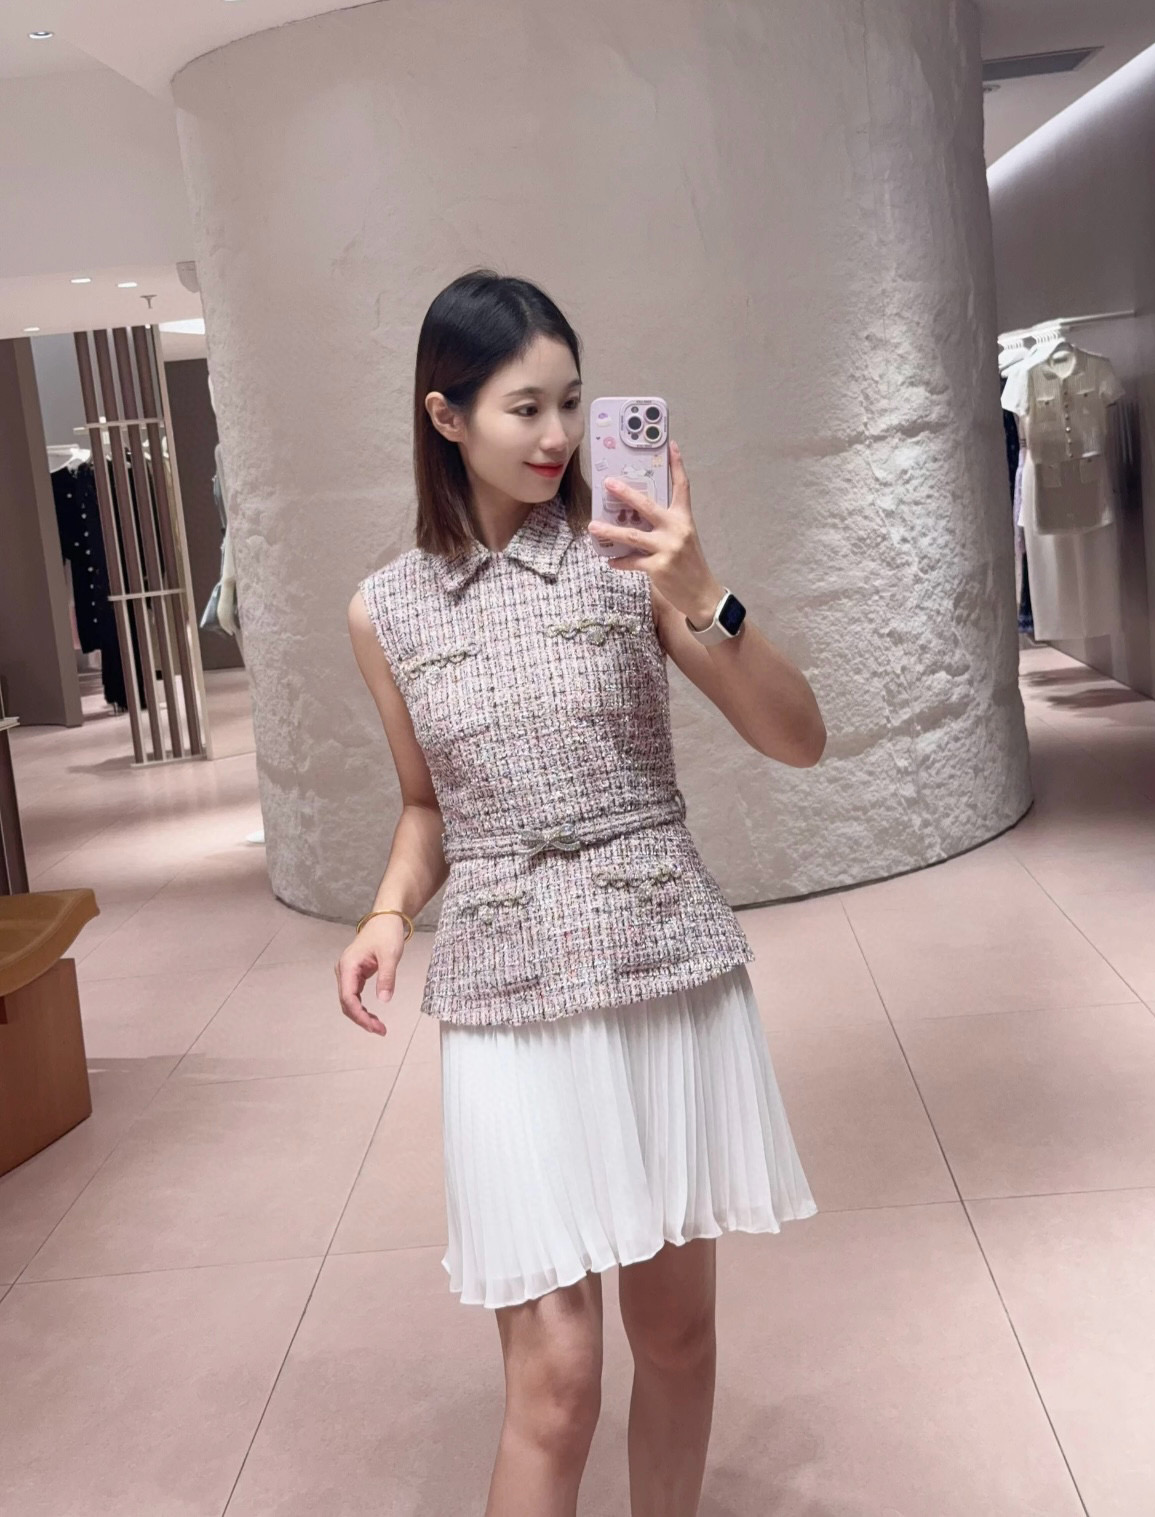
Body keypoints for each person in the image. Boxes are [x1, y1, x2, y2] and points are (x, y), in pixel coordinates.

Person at [339, 269, 824, 1517]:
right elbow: (427, 805)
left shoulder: (631, 563)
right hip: (507, 989)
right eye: (524, 408)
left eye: (571, 401)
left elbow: (798, 737)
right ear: (446, 416)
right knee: (555, 1384)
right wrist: (389, 912)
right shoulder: (386, 609)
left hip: (662, 963)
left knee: (675, 1336)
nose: (558, 435)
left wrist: (702, 587)